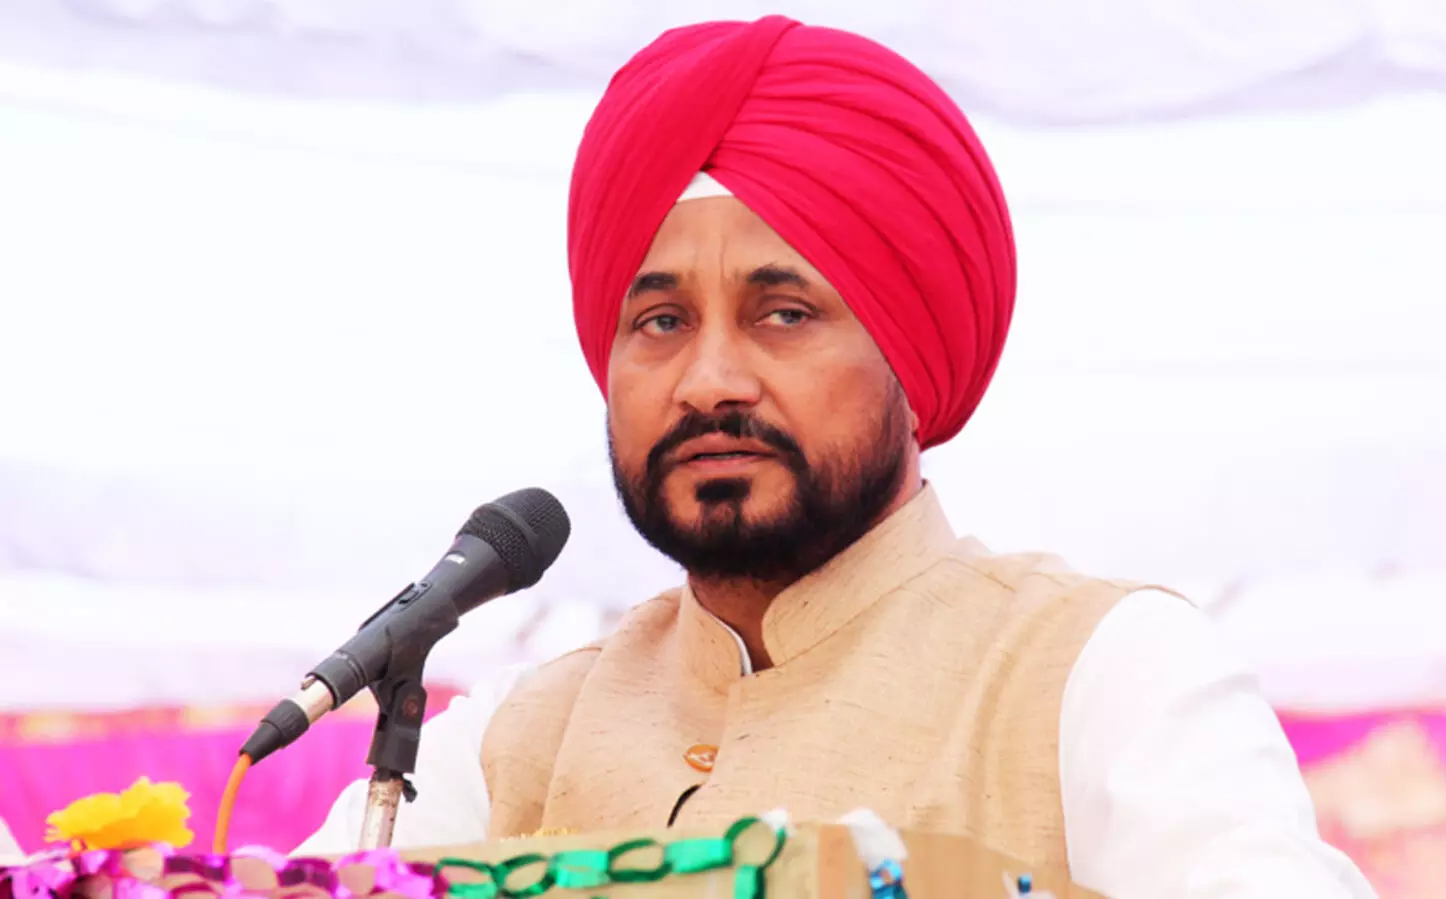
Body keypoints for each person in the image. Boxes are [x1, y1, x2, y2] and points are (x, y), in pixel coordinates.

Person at [302, 15, 1374, 897]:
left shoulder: (1099, 671)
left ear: (909, 352)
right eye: (662, 321)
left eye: (782, 312)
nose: (708, 379)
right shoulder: (516, 735)